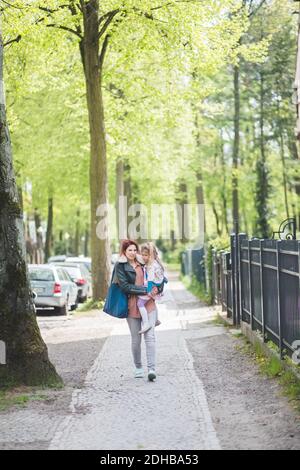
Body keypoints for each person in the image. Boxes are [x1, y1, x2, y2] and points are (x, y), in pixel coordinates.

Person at [114, 239, 158, 381]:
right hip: (132, 304)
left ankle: (151, 369)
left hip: (149, 303)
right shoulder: (120, 266)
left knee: (150, 336)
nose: (133, 253)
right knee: (136, 339)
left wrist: (158, 288)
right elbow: (125, 286)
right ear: (124, 252)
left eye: (134, 250)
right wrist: (144, 290)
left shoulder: (143, 262)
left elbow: (157, 273)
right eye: (129, 250)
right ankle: (138, 367)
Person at [137, 242, 167, 334]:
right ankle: (156, 319)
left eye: (146, 255)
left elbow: (150, 280)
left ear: (152, 255)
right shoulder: (157, 262)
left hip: (152, 288)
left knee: (140, 303)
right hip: (158, 287)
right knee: (153, 302)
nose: (143, 257)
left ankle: (146, 323)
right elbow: (162, 277)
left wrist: (148, 291)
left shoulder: (150, 266)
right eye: (142, 255)